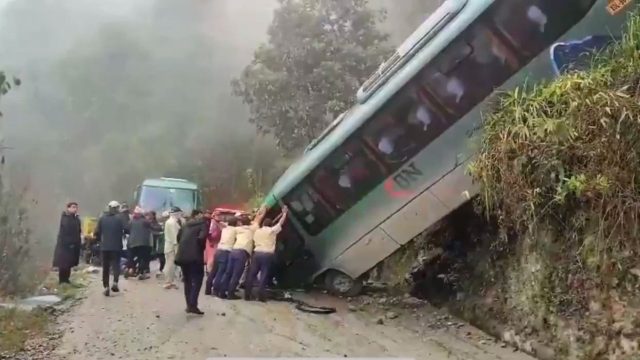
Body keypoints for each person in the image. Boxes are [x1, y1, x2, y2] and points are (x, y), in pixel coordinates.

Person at [219, 207, 266, 299]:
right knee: (236, 274)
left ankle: (222, 292)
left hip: (234, 251)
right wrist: (263, 211)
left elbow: (226, 226)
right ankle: (230, 294)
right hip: (242, 253)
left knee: (228, 273)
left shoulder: (238, 229)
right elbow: (259, 219)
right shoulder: (253, 228)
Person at [244, 207, 288, 301]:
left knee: (252, 274)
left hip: (256, 253)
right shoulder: (272, 231)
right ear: (271, 224)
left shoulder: (257, 231)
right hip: (267, 255)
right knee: (264, 274)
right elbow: (280, 223)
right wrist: (284, 213)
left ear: (263, 224)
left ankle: (247, 294)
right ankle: (261, 295)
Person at [174, 209, 208, 315]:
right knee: (198, 279)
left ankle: (189, 305)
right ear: (198, 215)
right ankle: (193, 304)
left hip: (182, 256)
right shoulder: (203, 224)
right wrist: (199, 247)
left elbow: (178, 238)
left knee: (187, 280)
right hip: (195, 257)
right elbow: (202, 238)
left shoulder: (185, 225)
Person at [94, 201, 128, 296]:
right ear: (117, 208)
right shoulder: (120, 219)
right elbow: (127, 229)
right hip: (116, 246)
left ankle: (106, 287)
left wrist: (99, 240)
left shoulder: (102, 218)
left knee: (105, 267)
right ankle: (115, 283)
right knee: (116, 265)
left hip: (105, 247)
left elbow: (96, 232)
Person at [52, 202, 82, 285]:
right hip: (64, 245)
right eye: (73, 207)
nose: (75, 209)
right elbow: (66, 231)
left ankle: (67, 279)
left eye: (76, 207)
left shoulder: (76, 219)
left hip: (73, 245)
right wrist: (70, 242)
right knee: (63, 264)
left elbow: (78, 231)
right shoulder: (65, 218)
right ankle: (62, 280)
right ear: (68, 208)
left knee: (69, 264)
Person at [207, 216, 236, 296]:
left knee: (213, 271)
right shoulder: (235, 230)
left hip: (218, 250)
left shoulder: (224, 229)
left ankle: (208, 289)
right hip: (226, 252)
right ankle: (216, 290)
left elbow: (222, 223)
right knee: (221, 272)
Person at [127, 209, 158, 280]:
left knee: (132, 257)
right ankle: (141, 273)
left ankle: (131, 269)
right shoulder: (145, 221)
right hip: (143, 243)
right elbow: (153, 227)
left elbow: (127, 229)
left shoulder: (131, 221)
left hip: (132, 243)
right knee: (142, 258)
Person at [163, 206, 182, 289]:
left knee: (171, 265)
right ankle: (168, 282)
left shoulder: (171, 221)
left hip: (169, 246)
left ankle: (170, 281)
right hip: (171, 247)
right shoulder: (172, 223)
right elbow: (175, 237)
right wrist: (177, 249)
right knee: (170, 265)